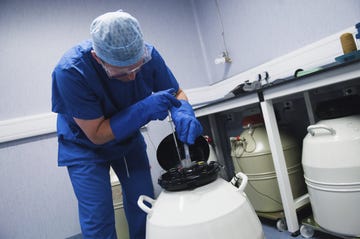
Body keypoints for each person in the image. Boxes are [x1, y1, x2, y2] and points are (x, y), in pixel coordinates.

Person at [51, 10, 202, 239]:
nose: (132, 77)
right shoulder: (71, 71)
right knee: (98, 221)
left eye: (136, 68)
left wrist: (184, 113)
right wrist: (143, 109)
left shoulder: (150, 55)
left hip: (127, 140)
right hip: (84, 147)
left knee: (143, 205)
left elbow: (177, 92)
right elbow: (97, 134)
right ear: (97, 58)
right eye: (122, 73)